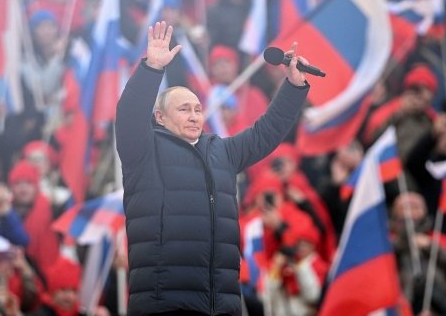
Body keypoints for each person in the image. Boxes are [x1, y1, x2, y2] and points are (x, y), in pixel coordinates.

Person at [115, 21, 309, 315]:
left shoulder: (222, 151)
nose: (194, 116)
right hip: (165, 304)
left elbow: (266, 133)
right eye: (183, 109)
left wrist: (294, 87)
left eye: (197, 109)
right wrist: (151, 69)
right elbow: (129, 115)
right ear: (160, 117)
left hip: (222, 304)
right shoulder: (143, 150)